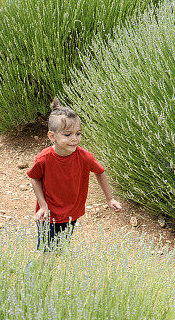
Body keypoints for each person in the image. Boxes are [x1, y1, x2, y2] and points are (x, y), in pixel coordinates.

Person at [27, 98, 123, 251]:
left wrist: (110, 198)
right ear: (52, 136)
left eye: (78, 133)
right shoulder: (44, 159)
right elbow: (34, 178)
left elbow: (100, 172)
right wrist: (43, 206)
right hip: (48, 215)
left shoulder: (84, 157)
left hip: (71, 214)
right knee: (48, 253)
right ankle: (33, 274)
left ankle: (41, 273)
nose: (74, 139)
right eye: (67, 135)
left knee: (59, 250)